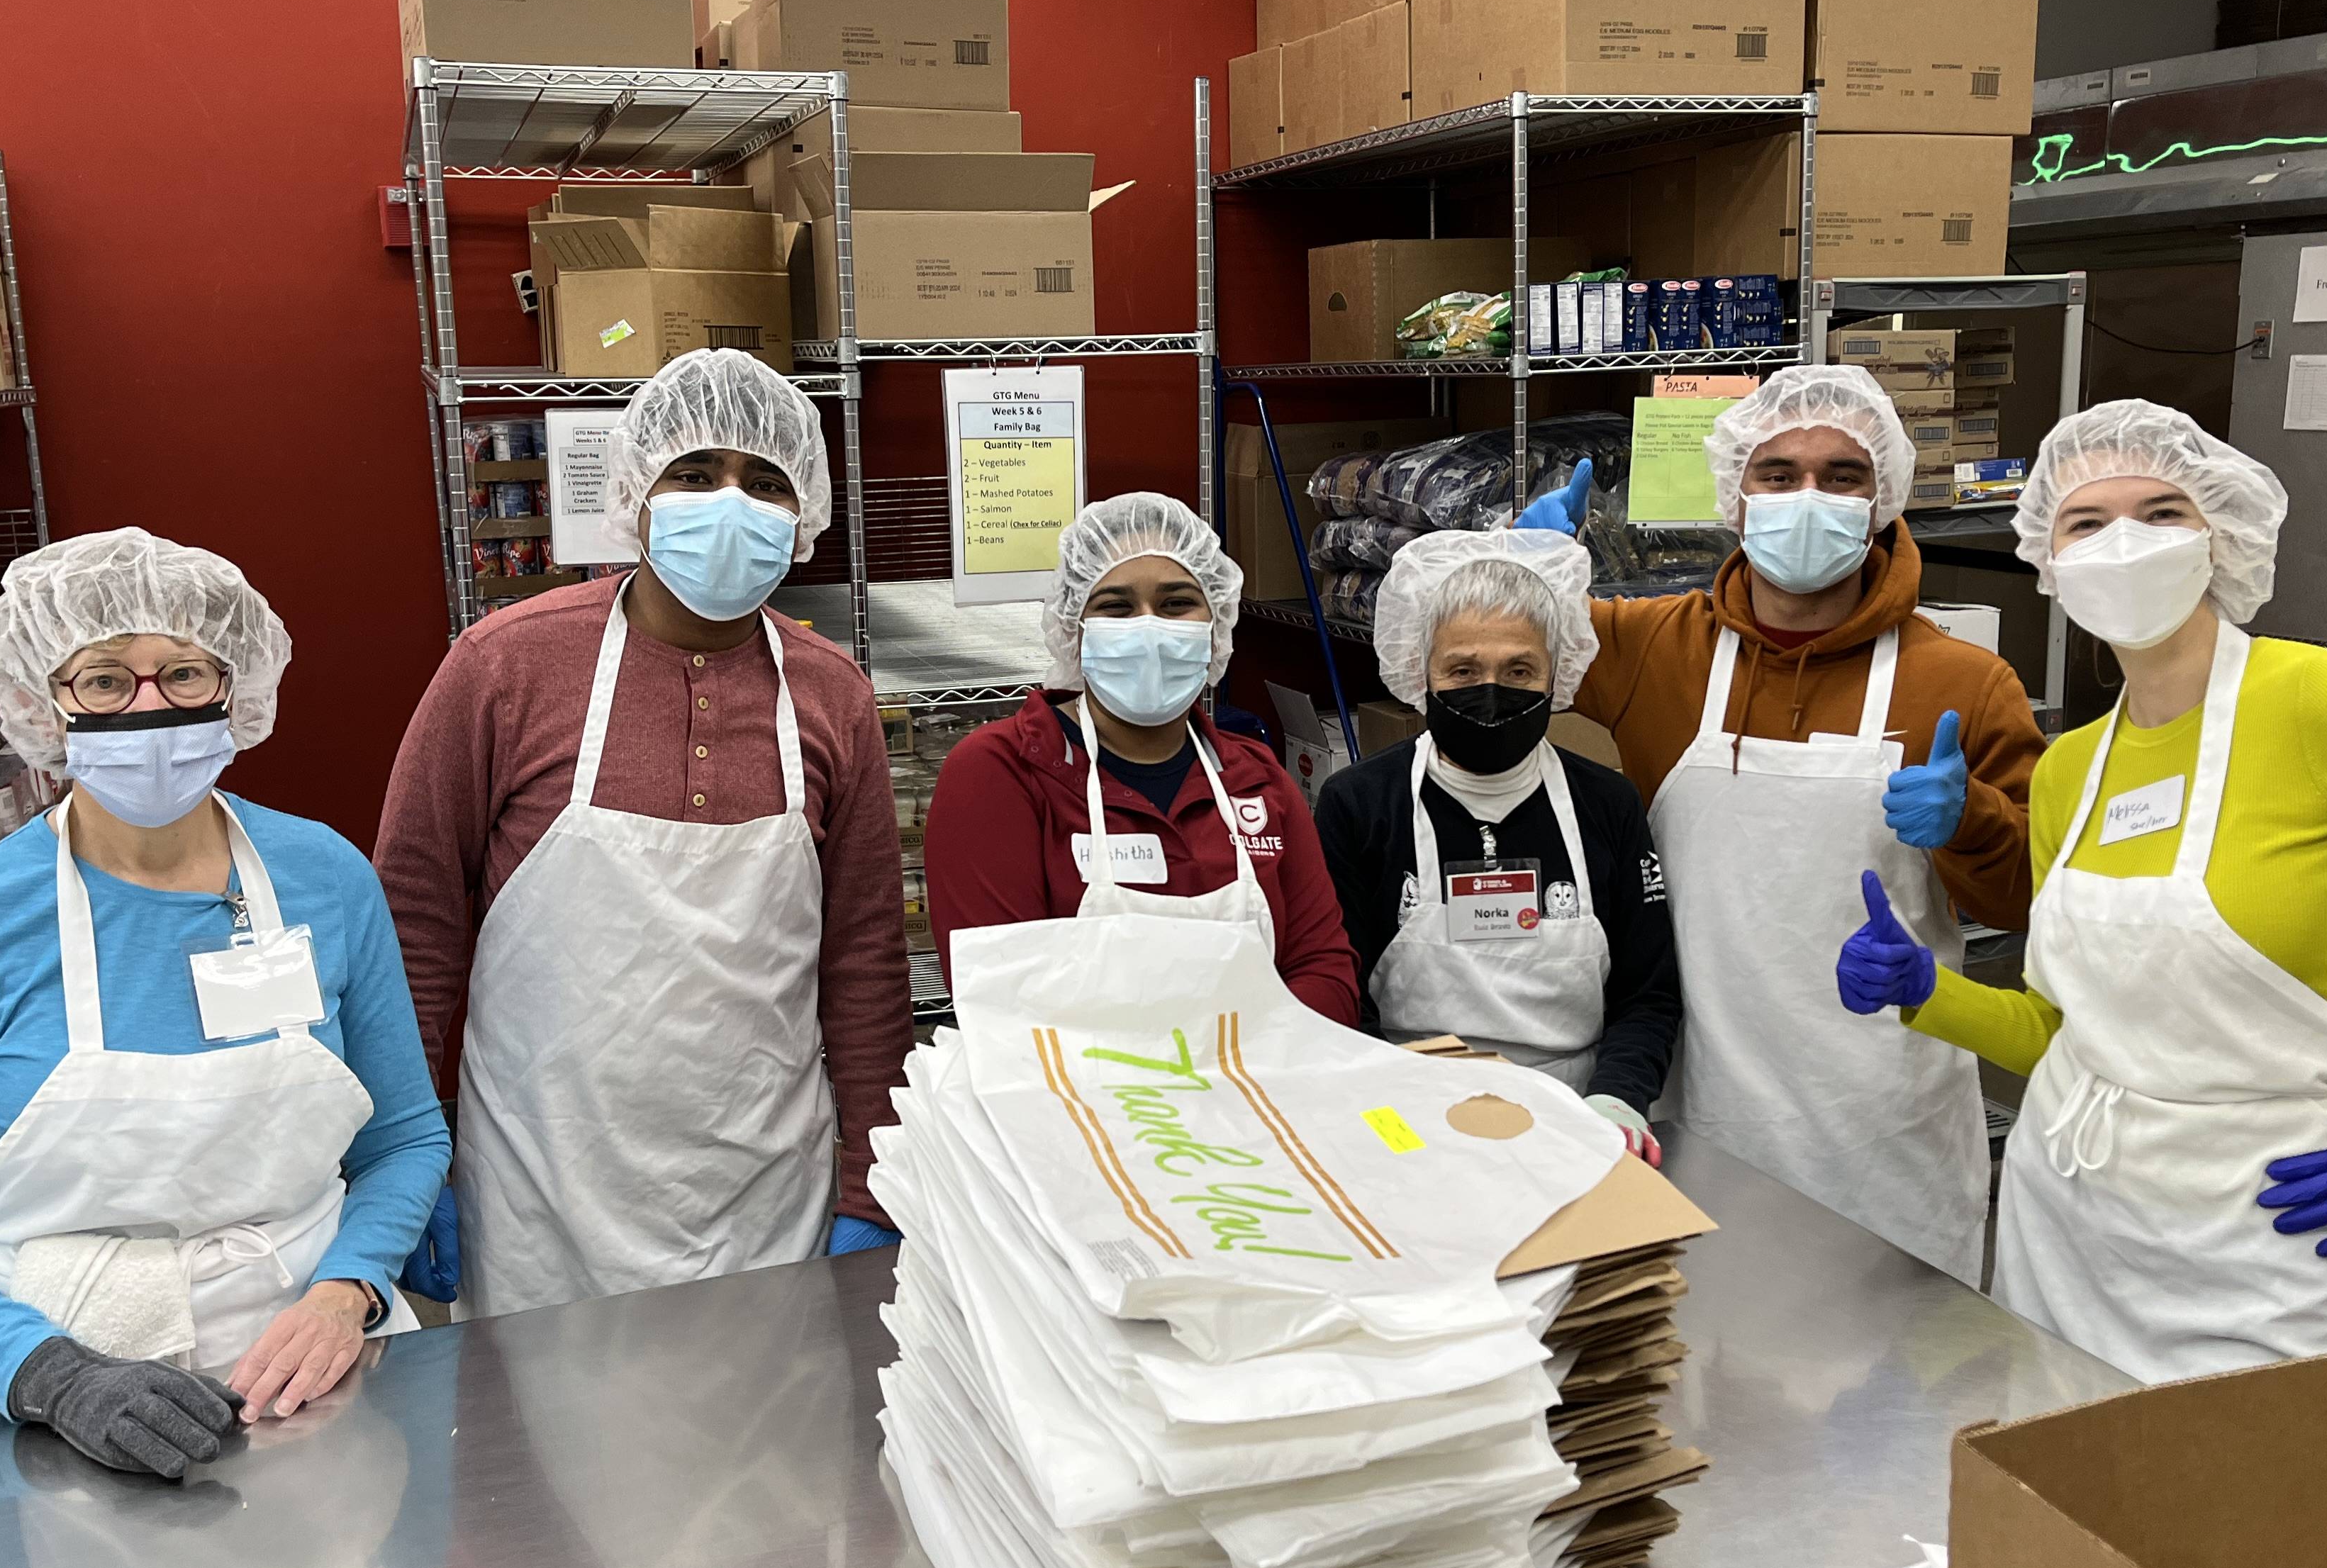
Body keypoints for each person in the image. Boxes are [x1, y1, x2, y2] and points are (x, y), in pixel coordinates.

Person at [1836, 401, 2327, 1381]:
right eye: (2085, 524)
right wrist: (1930, 997)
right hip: (2064, 1231)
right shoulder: (2071, 770)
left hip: (2264, 1240)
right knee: (2052, 1507)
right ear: (2049, 565)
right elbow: (2073, 1036)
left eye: (2162, 513)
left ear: (2219, 536)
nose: (2124, 543)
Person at [0, 530, 451, 1478]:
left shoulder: (324, 877)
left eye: (182, 674)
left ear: (235, 688)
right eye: (105, 682)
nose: (149, 710)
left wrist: (350, 1288)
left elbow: (405, 1138)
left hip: (314, 1379)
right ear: (46, 702)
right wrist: (54, 1376)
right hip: (57, 1410)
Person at [375, 350, 913, 1318]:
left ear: (805, 518)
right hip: (542, 1192)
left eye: (765, 482)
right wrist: (402, 1163)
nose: (730, 503)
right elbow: (413, 925)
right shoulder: (504, 666)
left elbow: (866, 955)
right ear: (636, 492)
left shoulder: (835, 694)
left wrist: (869, 1176)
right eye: (696, 475)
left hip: (768, 1191)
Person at [1519, 364, 2041, 1283]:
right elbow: (1492, 655)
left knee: (1890, 1412)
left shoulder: (1963, 684)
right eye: (1778, 474)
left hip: (1887, 1131)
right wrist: (1533, 574)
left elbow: (2028, 899)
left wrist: (1974, 823)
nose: (1810, 498)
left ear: (1882, 502)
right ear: (1736, 497)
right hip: (1708, 1112)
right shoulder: (1656, 647)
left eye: (1842, 477)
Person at [922, 491, 1358, 1023]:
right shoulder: (1000, 773)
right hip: (1079, 1101)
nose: (1149, 626)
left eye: (1177, 603)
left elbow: (1324, 969)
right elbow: (1004, 1001)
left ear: (1215, 622)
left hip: (1256, 1093)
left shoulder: (1258, 778)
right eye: (1116, 606)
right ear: (1072, 629)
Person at [1312, 529, 1677, 1160]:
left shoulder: (1608, 803)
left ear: (1557, 676)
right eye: (1462, 670)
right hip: (1407, 1117)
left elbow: (1649, 992)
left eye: (1519, 670)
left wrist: (1617, 1099)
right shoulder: (1360, 804)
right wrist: (1389, 1123)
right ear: (1418, 672)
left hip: (1575, 1123)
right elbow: (1336, 997)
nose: (1490, 689)